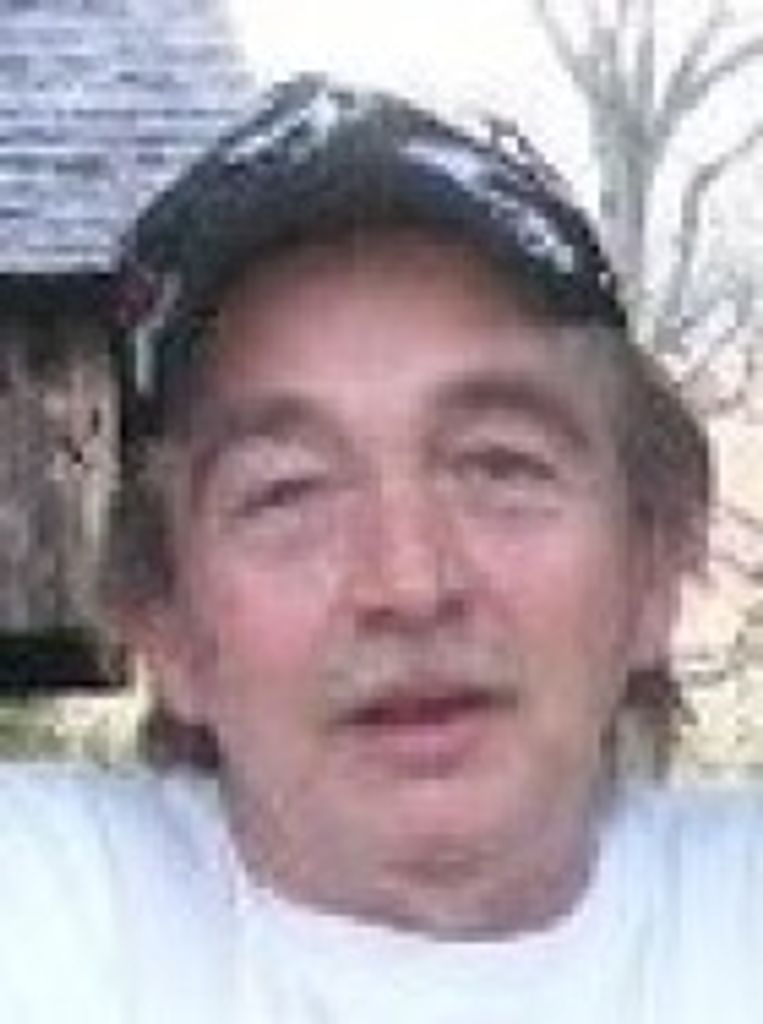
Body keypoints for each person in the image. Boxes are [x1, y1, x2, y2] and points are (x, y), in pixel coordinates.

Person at [0, 72, 760, 1023]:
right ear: (167, 623)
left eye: (499, 465)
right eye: (286, 493)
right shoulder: (47, 908)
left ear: (651, 565)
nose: (408, 583)